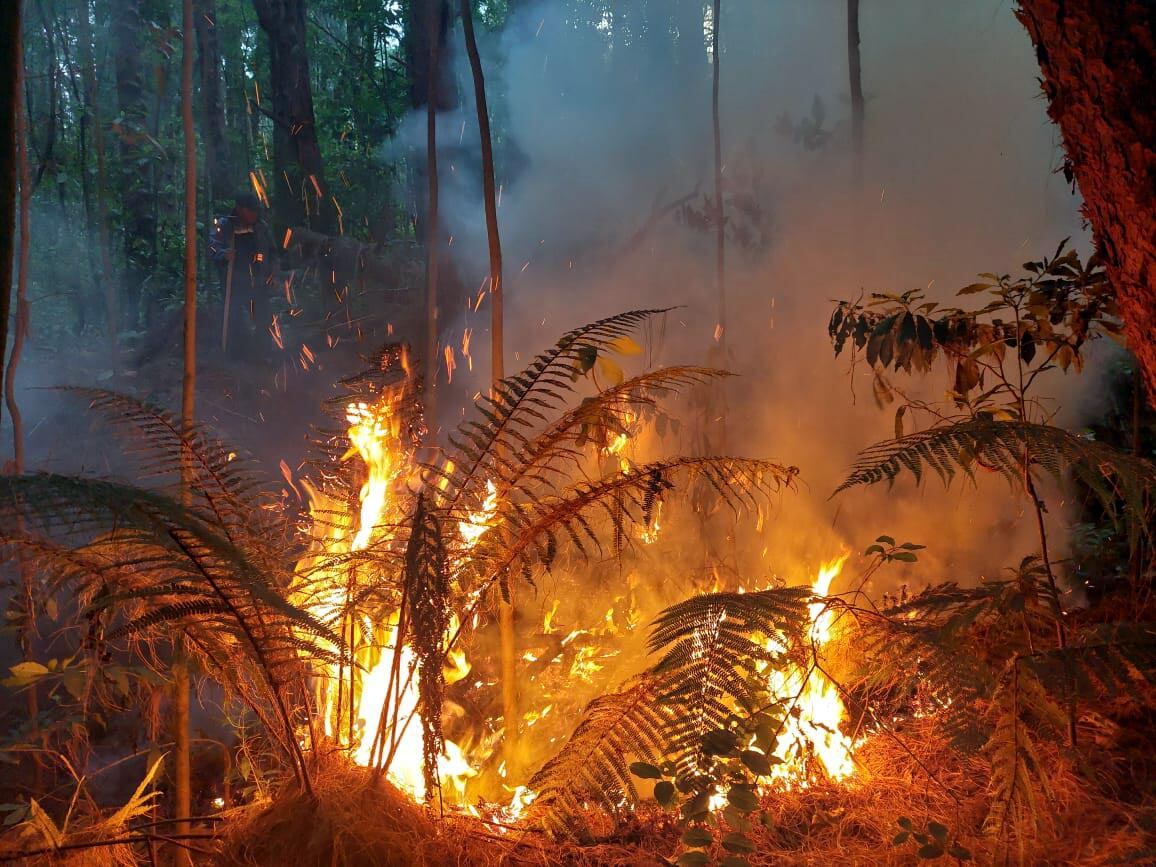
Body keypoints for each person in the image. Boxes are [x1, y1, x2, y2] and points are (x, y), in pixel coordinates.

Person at [209, 193, 276, 359]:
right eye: (250, 210)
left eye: (255, 211)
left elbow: (273, 253)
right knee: (235, 319)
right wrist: (223, 254)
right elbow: (212, 248)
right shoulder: (225, 225)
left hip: (258, 282)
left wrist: (273, 274)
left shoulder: (261, 227)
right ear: (239, 209)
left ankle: (263, 355)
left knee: (264, 318)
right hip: (234, 284)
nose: (254, 214)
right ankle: (235, 358)